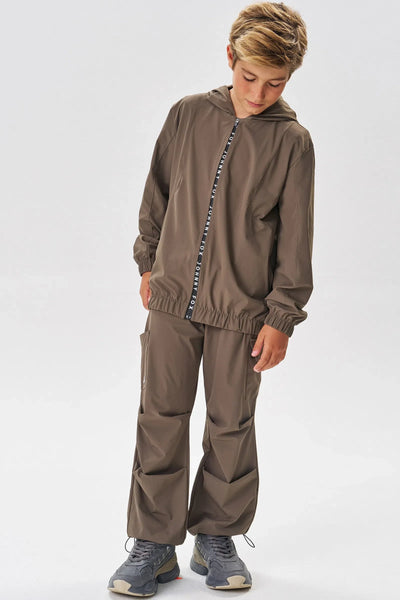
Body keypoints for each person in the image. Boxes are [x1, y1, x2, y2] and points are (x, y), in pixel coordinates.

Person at [108, 1, 315, 596]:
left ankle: (216, 536)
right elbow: (158, 192)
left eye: (275, 83)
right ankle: (153, 545)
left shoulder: (292, 142)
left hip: (244, 311)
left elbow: (295, 238)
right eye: (249, 77)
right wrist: (149, 261)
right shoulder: (188, 114)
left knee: (230, 424)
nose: (259, 94)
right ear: (230, 58)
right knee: (160, 418)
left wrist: (281, 317)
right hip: (171, 300)